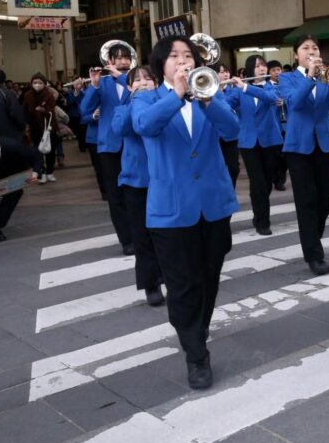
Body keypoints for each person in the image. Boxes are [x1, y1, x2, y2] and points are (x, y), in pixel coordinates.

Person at [132, 36, 239, 390]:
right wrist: (177, 94)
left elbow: (232, 129)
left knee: (208, 277)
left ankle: (198, 329)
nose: (183, 61)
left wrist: (208, 100)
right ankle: (196, 355)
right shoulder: (147, 96)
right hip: (171, 210)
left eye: (188, 56)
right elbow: (145, 126)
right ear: (160, 63)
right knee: (182, 285)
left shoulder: (209, 92)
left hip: (213, 204)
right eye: (174, 56)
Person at [279, 36, 329, 276]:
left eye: (315, 47)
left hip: (326, 143)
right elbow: (294, 103)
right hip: (299, 146)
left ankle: (312, 238)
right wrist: (309, 76)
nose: (311, 51)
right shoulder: (287, 78)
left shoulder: (326, 74)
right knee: (306, 201)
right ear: (296, 54)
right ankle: (314, 255)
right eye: (305, 48)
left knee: (327, 195)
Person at [112, 66, 165, 306]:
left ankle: (169, 274)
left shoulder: (166, 102)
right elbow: (120, 128)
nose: (143, 83)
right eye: (137, 80)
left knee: (166, 234)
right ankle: (151, 284)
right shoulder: (124, 108)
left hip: (164, 178)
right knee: (142, 235)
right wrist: (137, 99)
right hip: (136, 181)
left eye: (148, 78)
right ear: (129, 86)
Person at [81, 45, 135, 255]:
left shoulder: (136, 80)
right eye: (118, 58)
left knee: (135, 191)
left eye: (126, 58)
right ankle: (126, 240)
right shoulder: (101, 83)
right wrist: (93, 86)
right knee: (115, 195)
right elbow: (84, 110)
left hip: (133, 143)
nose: (122, 62)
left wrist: (123, 78)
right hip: (109, 146)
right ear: (109, 61)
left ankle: (140, 233)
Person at [228, 55, 283, 235]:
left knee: (266, 183)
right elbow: (224, 106)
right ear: (250, 68)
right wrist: (214, 89)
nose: (261, 69)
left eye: (263, 65)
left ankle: (258, 212)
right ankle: (262, 221)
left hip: (271, 141)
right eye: (258, 66)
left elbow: (269, 98)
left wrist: (245, 87)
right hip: (248, 142)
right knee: (258, 181)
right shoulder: (237, 90)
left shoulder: (272, 88)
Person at [0, 131, 38, 253]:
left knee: (2, 219)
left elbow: (35, 155)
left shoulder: (11, 147)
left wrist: (35, 172)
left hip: (11, 181)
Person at [21, 73, 60, 183]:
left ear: (44, 84)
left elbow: (52, 109)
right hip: (35, 128)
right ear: (31, 83)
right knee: (38, 151)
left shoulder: (49, 94)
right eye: (35, 83)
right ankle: (41, 172)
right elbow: (24, 110)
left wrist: (44, 110)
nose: (37, 85)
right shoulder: (28, 95)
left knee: (50, 150)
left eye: (40, 83)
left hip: (49, 127)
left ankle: (50, 172)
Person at [217, 64, 242, 189]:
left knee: (233, 167)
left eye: (226, 71)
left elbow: (229, 105)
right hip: (213, 136)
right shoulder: (204, 91)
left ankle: (230, 189)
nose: (225, 74)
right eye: (221, 72)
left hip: (230, 135)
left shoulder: (234, 90)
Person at [0, 69, 26, 143]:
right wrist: (23, 127)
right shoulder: (7, 94)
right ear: (4, 80)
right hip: (9, 136)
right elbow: (16, 114)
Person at [266, 60, 289, 191]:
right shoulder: (267, 86)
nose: (277, 72)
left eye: (279, 70)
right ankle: (277, 179)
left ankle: (281, 176)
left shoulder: (286, 85)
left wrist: (285, 102)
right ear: (269, 72)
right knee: (276, 154)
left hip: (287, 125)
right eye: (274, 70)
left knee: (286, 154)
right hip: (275, 125)